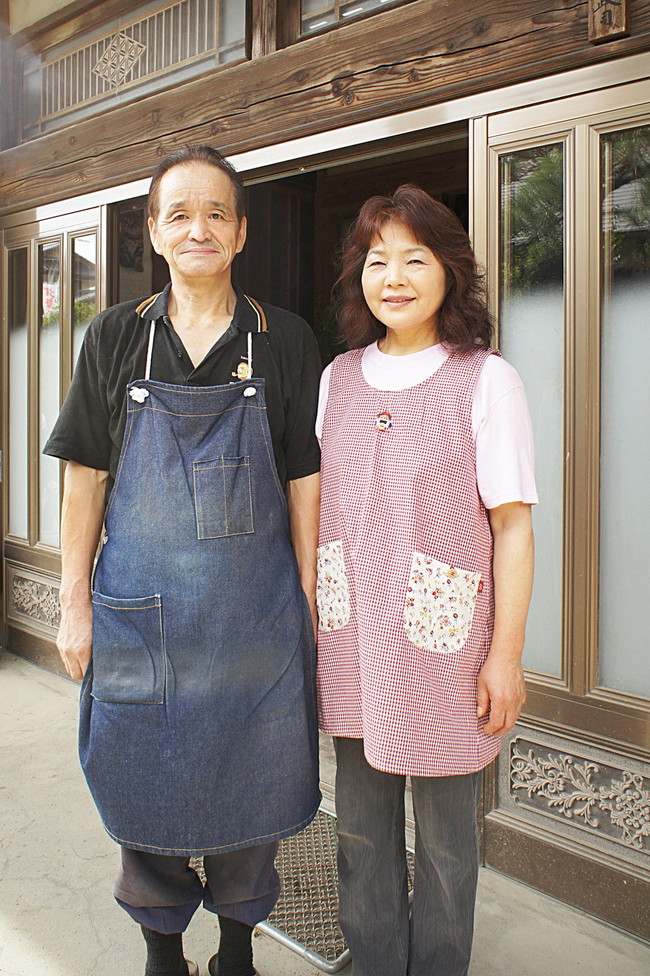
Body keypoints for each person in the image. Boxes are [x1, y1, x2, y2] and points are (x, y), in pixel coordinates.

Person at [44, 145, 322, 976]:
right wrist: (73, 602)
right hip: (140, 615)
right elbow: (84, 480)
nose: (197, 229)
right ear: (155, 234)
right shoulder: (114, 337)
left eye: (215, 214)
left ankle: (237, 944)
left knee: (255, 775)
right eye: (178, 215)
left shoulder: (285, 339)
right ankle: (161, 946)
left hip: (252, 614)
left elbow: (304, 476)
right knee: (140, 775)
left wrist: (304, 595)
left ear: (239, 233)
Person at [315, 184, 537, 976]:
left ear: (450, 272)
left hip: (446, 647)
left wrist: (504, 656)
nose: (395, 277)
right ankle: (376, 963)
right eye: (378, 260)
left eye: (415, 258)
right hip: (352, 639)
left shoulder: (485, 379)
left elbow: (512, 527)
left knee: (446, 843)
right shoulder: (337, 376)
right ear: (360, 277)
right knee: (361, 832)